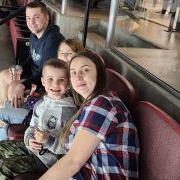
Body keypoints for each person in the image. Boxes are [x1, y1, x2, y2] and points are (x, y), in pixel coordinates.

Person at [39, 51, 140, 180]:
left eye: (85, 70)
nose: (78, 77)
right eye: (73, 72)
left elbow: (73, 163)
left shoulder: (102, 105)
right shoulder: (93, 102)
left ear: (99, 73)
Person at [0, 59, 77, 179]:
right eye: (50, 79)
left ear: (68, 84)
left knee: (6, 167)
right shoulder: (41, 102)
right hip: (33, 148)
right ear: (43, 81)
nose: (55, 84)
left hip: (48, 159)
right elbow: (32, 126)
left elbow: (71, 147)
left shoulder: (69, 112)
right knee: (2, 147)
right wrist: (29, 139)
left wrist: (49, 140)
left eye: (61, 80)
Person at [0, 1, 64, 123]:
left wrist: (22, 85)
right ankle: (0, 110)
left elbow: (46, 75)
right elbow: (32, 59)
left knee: (13, 87)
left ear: (46, 18)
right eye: (28, 18)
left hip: (44, 83)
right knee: (4, 75)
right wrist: (20, 67)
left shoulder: (53, 40)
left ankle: (9, 119)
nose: (32, 22)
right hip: (34, 75)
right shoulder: (34, 34)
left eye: (36, 17)